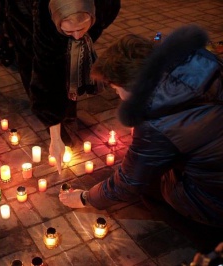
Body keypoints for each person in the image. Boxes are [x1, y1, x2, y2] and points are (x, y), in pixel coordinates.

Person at [59, 24, 223, 251]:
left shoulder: (156, 122)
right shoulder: (202, 65)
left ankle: (210, 240)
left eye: (116, 88)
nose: (117, 95)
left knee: (150, 188)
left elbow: (129, 182)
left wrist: (86, 198)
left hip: (216, 199)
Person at [4, 0, 120, 173]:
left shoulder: (105, 6)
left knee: (69, 57)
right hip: (24, 19)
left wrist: (87, 35)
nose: (76, 36)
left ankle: (68, 112)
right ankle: (60, 118)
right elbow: (46, 79)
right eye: (69, 31)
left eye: (81, 28)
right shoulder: (44, 26)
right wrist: (55, 136)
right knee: (35, 65)